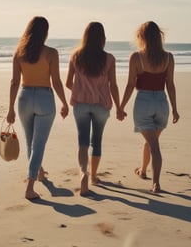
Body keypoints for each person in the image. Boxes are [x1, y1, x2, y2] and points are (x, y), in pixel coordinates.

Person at [7, 16, 69, 200]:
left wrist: (10, 108)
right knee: (39, 144)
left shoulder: (19, 52)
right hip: (44, 98)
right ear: (45, 33)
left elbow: (14, 81)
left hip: (24, 98)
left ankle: (39, 172)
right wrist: (64, 103)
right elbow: (56, 81)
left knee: (30, 141)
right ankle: (30, 186)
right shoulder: (51, 53)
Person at [118, 21, 180, 193]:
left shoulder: (137, 57)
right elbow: (171, 85)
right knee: (151, 140)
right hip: (161, 102)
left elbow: (130, 85)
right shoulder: (168, 57)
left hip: (144, 102)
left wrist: (121, 106)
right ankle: (143, 170)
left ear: (142, 37)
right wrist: (174, 109)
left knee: (154, 145)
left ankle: (156, 183)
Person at [66, 22, 121, 196]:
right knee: (96, 141)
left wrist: (81, 91)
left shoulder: (76, 56)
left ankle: (83, 173)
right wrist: (119, 107)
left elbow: (68, 83)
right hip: (102, 106)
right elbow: (113, 85)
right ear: (103, 39)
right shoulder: (109, 58)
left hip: (81, 105)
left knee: (82, 141)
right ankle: (94, 177)